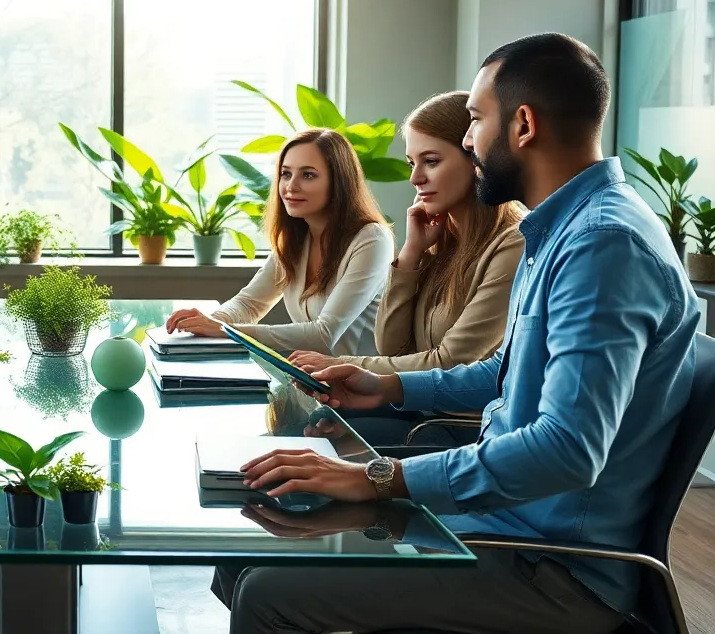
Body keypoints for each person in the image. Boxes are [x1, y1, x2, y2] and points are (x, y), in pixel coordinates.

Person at [216, 33, 697, 633]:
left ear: (522, 125)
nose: (468, 140)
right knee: (252, 545)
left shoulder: (602, 244)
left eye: (474, 120)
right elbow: (508, 373)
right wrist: (389, 389)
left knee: (269, 591)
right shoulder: (565, 231)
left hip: (546, 566)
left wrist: (383, 476)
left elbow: (568, 449)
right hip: (501, 520)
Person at [289, 93, 527, 446]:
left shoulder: (512, 244)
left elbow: (449, 362)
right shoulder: (441, 241)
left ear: (475, 159)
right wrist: (411, 255)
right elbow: (392, 347)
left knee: (316, 444)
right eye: (412, 162)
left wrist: (340, 364)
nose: (415, 178)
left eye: (430, 161)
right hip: (418, 412)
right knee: (304, 422)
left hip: (462, 429)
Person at [165, 128, 394, 356]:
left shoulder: (371, 239)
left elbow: (324, 335)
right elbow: (249, 303)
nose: (291, 186)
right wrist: (205, 323)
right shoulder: (295, 239)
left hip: (365, 386)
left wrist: (227, 331)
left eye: (308, 175)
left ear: (339, 182)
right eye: (286, 174)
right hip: (315, 381)